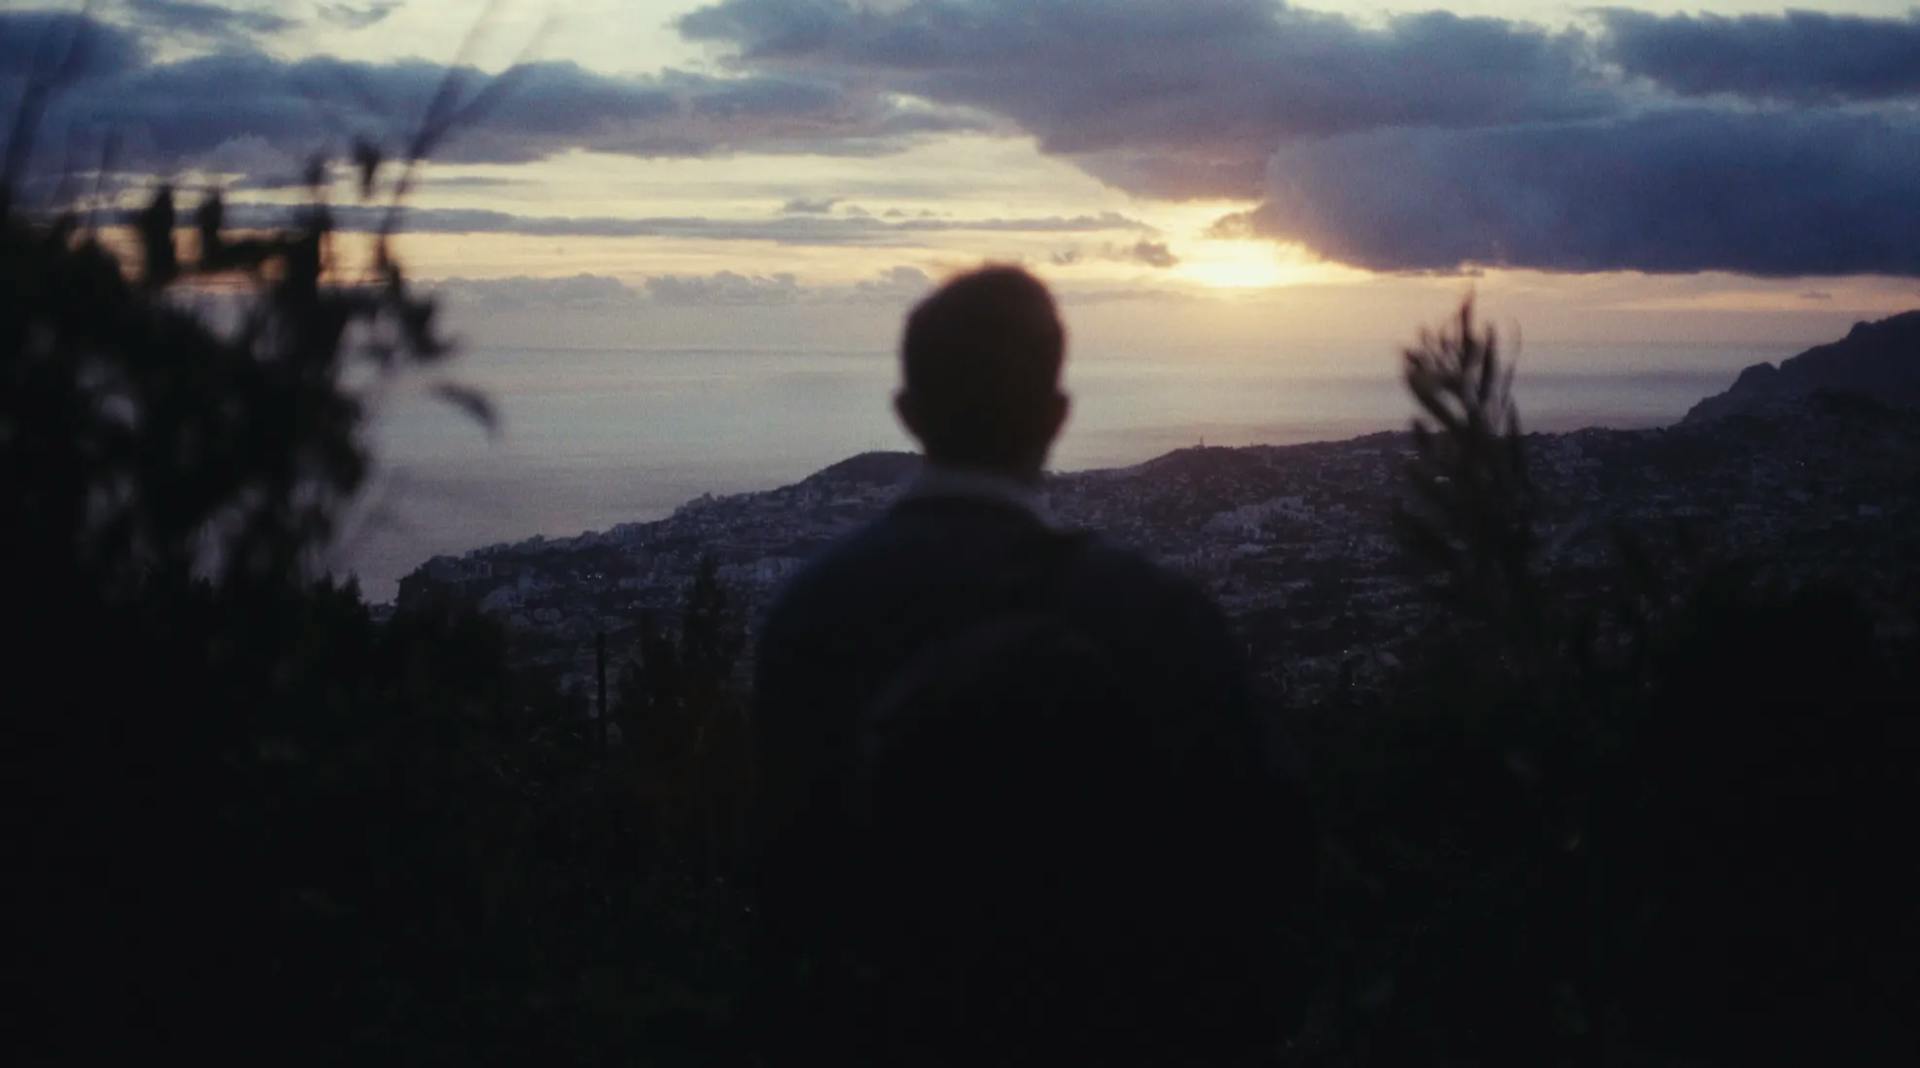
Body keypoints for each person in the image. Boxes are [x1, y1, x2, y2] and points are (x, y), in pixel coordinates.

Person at [750, 265, 1289, 1065]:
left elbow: (787, 898)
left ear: (907, 414)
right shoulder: (1155, 618)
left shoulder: (808, 616)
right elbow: (1256, 894)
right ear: (1056, 415)